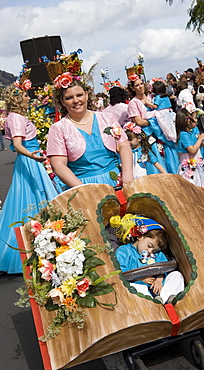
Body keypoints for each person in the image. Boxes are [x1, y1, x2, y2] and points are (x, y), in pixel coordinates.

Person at [0, 80, 59, 274]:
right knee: (36, 197)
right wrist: (33, 156)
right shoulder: (16, 117)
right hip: (30, 160)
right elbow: (17, 144)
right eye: (25, 95)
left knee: (27, 200)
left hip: (29, 159)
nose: (28, 98)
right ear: (17, 98)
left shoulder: (14, 116)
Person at [47, 74, 133, 188]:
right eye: (69, 98)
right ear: (62, 101)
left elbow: (124, 145)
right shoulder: (58, 128)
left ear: (86, 95)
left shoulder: (107, 118)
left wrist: (127, 173)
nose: (76, 100)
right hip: (83, 186)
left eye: (79, 95)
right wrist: (85, 190)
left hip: (117, 181)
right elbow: (58, 165)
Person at [110, 214, 184, 304]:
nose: (150, 251)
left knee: (176, 275)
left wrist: (159, 280)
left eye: (154, 250)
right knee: (131, 287)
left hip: (159, 287)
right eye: (149, 246)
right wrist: (140, 279)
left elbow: (165, 268)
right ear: (140, 237)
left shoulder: (158, 255)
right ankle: (152, 301)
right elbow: (121, 273)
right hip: (139, 285)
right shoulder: (124, 251)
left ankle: (167, 297)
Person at [127, 74, 166, 174]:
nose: (140, 87)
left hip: (163, 131)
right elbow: (139, 121)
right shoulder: (133, 103)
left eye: (141, 84)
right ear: (133, 88)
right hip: (148, 135)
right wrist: (156, 120)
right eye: (137, 85)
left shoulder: (152, 96)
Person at [176, 103, 204, 189]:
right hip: (190, 168)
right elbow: (192, 150)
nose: (197, 120)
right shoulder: (184, 135)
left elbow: (195, 139)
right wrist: (200, 139)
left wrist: (203, 143)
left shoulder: (192, 131)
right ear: (188, 121)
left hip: (198, 166)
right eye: (195, 118)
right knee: (193, 188)